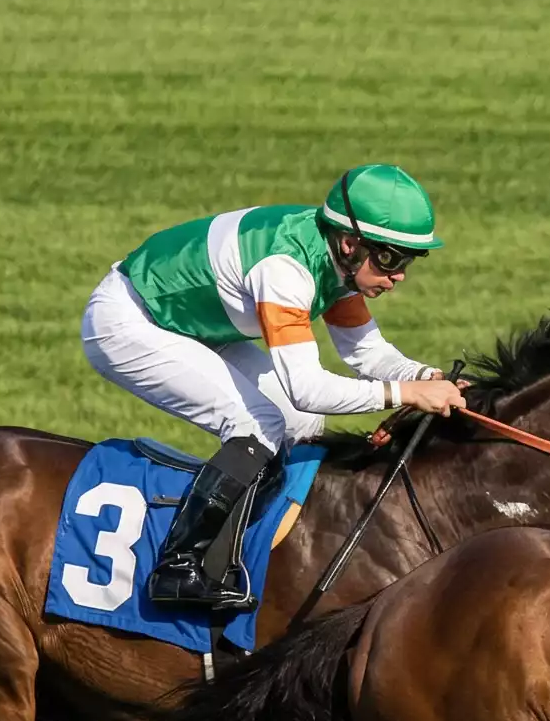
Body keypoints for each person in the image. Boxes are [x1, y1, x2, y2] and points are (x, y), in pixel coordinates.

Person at [81, 165, 466, 611]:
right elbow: (307, 387)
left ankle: (265, 546)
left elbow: (366, 352)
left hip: (197, 323)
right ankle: (179, 568)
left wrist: (425, 377)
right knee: (258, 424)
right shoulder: (286, 269)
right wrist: (406, 395)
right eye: (391, 260)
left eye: (408, 261)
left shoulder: (335, 259)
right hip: (128, 322)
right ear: (350, 243)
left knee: (302, 423)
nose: (398, 276)